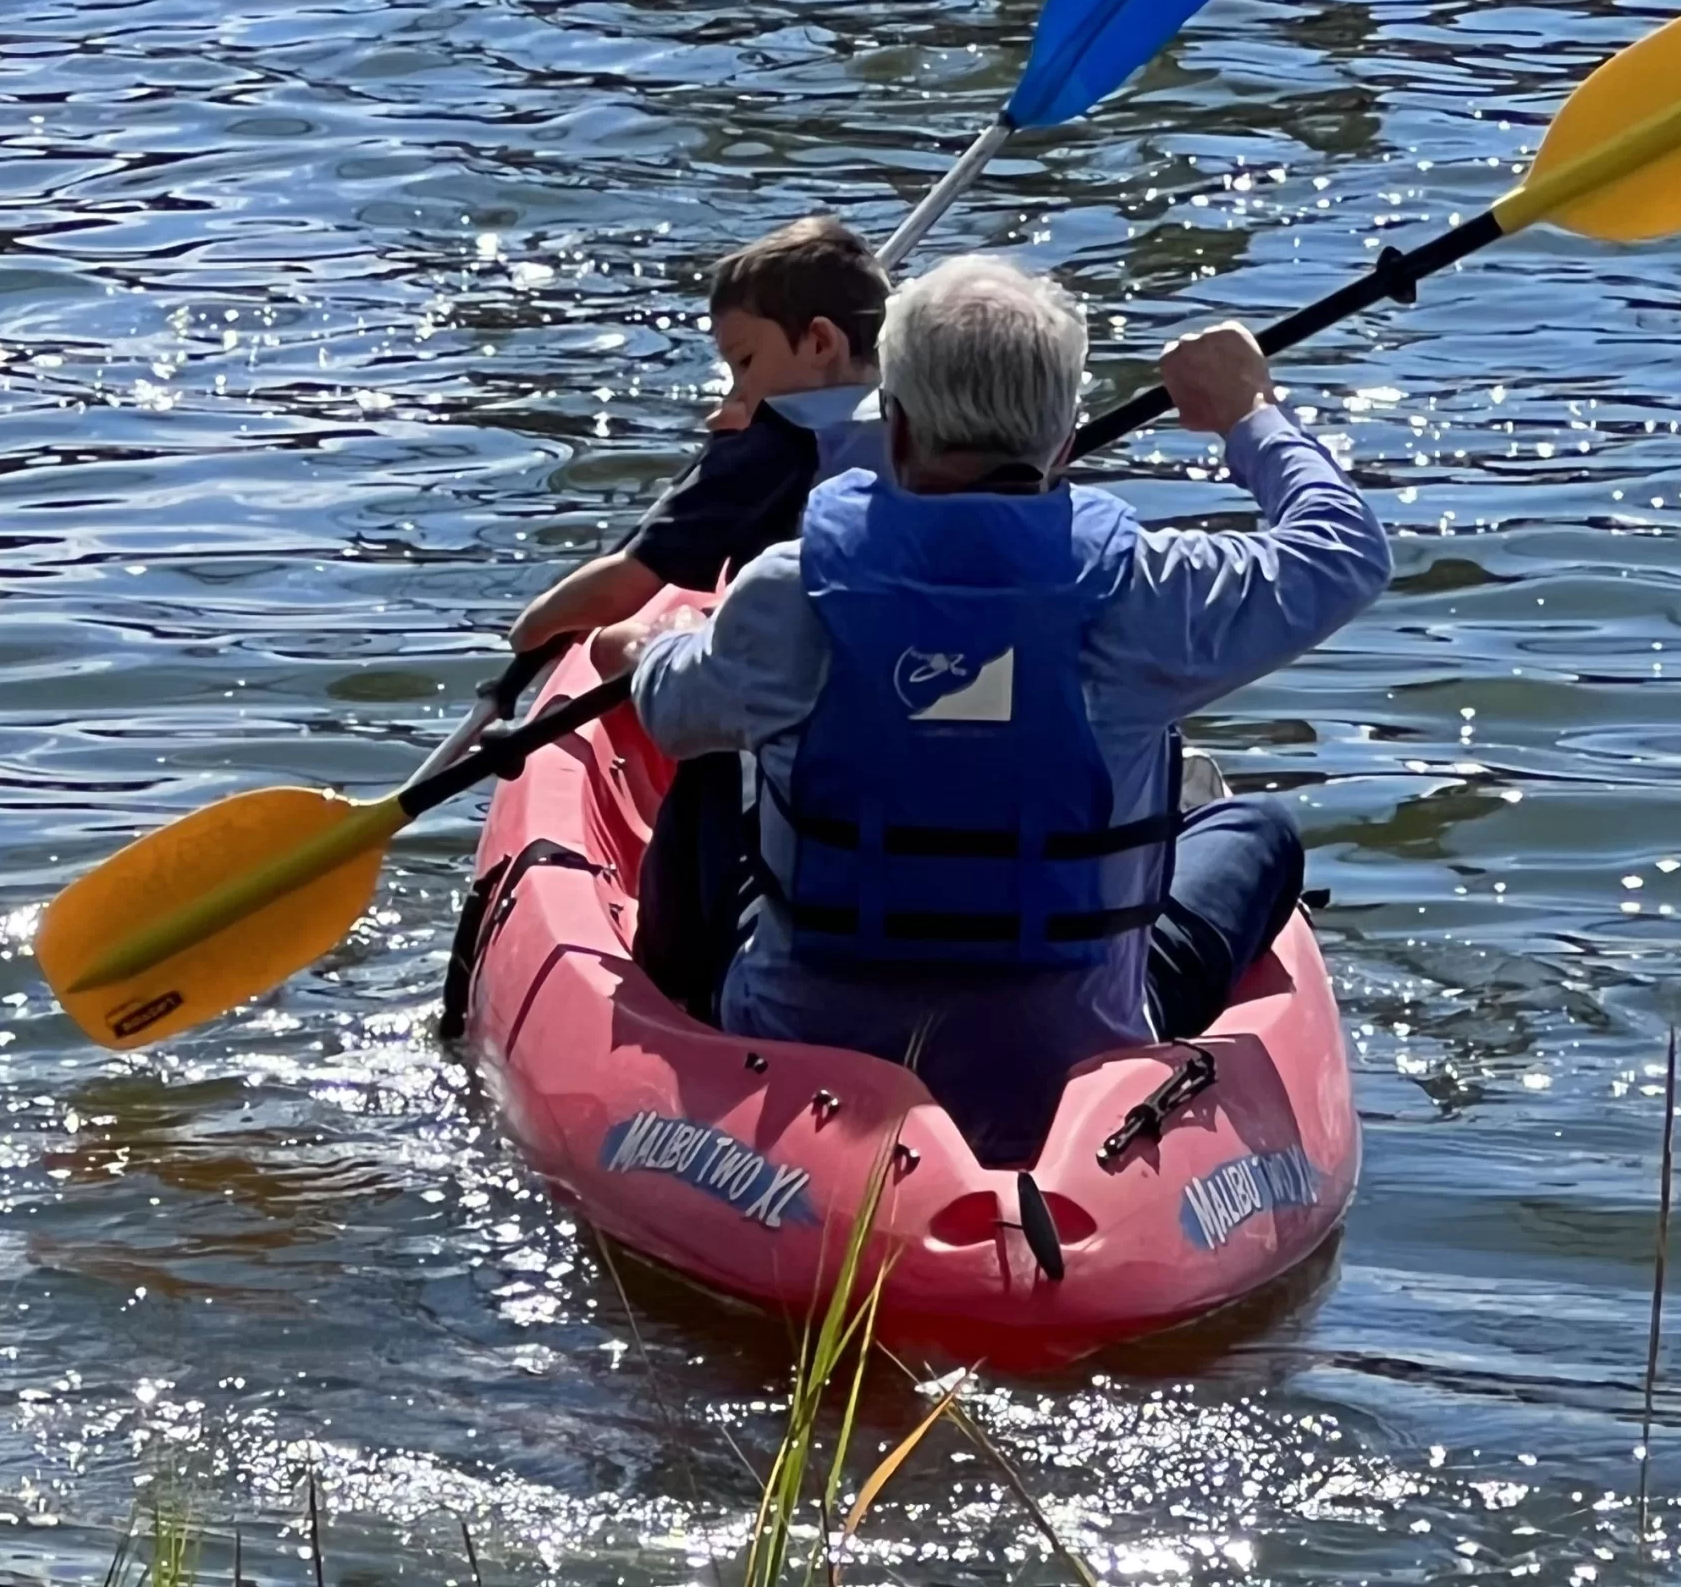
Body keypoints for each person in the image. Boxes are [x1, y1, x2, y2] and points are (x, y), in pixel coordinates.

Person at [600, 253, 1393, 1165]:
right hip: (1069, 1053)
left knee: (716, 756)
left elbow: (670, 715)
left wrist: (656, 649)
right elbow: (1344, 554)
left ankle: (676, 1017)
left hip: (800, 1035)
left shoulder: (791, 589)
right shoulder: (1146, 592)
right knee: (1258, 832)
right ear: (1062, 443)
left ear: (893, 428)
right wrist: (1249, 413)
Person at [512, 215, 889, 1018]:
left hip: (781, 695)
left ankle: (675, 973)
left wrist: (532, 633)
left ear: (819, 341)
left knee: (702, 750)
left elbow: (633, 578)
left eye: (745, 363)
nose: (737, 391)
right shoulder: (934, 421)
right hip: (891, 693)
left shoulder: (770, 447)